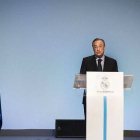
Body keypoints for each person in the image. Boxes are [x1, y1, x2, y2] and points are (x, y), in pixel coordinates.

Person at [80, 38, 118, 119]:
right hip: (90, 98)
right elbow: (81, 78)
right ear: (93, 48)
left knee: (107, 123)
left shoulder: (112, 62)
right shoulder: (86, 61)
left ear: (104, 47)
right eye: (95, 47)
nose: (98, 49)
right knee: (91, 125)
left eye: (100, 46)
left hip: (108, 99)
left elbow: (116, 80)